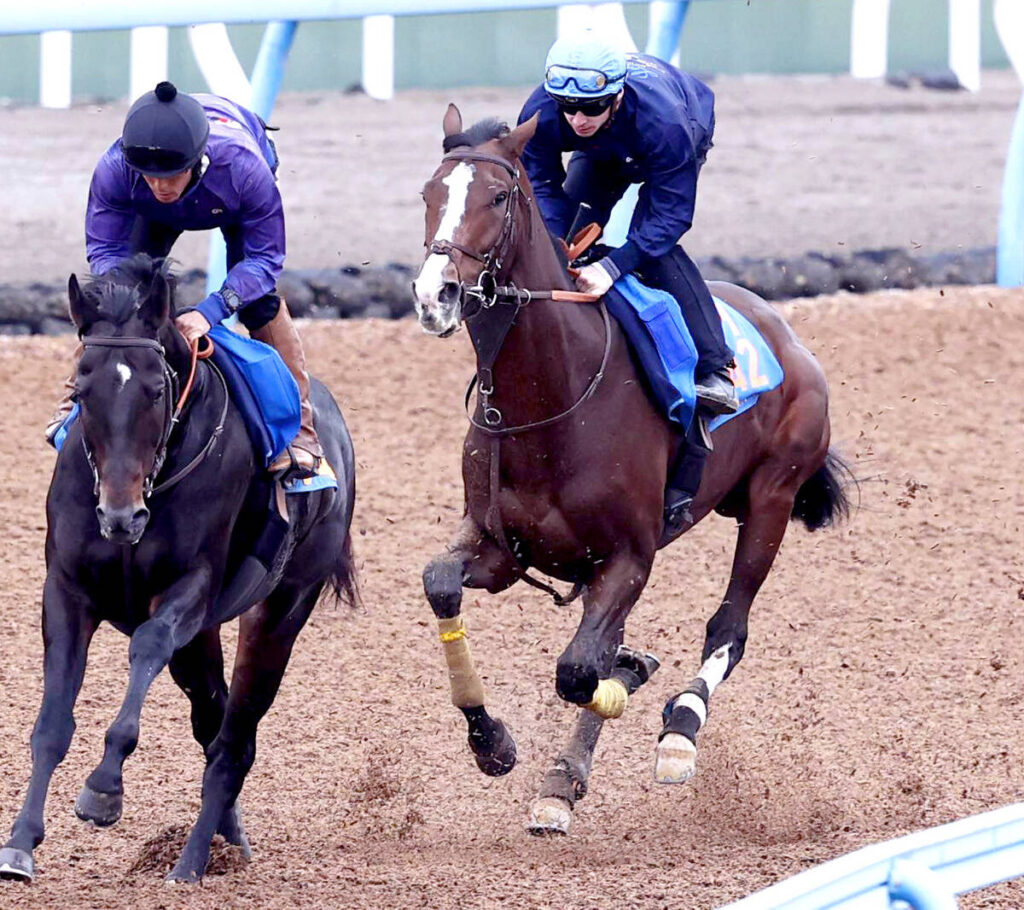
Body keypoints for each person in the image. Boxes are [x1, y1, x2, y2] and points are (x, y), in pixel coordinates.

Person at [46, 80, 323, 480]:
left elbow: (265, 259)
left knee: (257, 302)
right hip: (161, 211)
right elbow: (105, 252)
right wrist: (128, 296)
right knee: (120, 300)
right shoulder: (115, 168)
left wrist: (212, 311)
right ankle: (76, 398)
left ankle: (302, 432)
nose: (160, 186)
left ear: (197, 160)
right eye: (149, 176)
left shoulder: (244, 168)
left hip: (229, 195)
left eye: (171, 175)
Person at [517, 31, 739, 417]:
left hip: (677, 131)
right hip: (605, 151)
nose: (578, 119)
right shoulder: (542, 112)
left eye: (591, 107)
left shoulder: (667, 126)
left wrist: (613, 266)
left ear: (616, 96)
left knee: (652, 250)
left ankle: (715, 367)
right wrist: (555, 241)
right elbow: (541, 185)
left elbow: (669, 216)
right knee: (570, 239)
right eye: (568, 108)